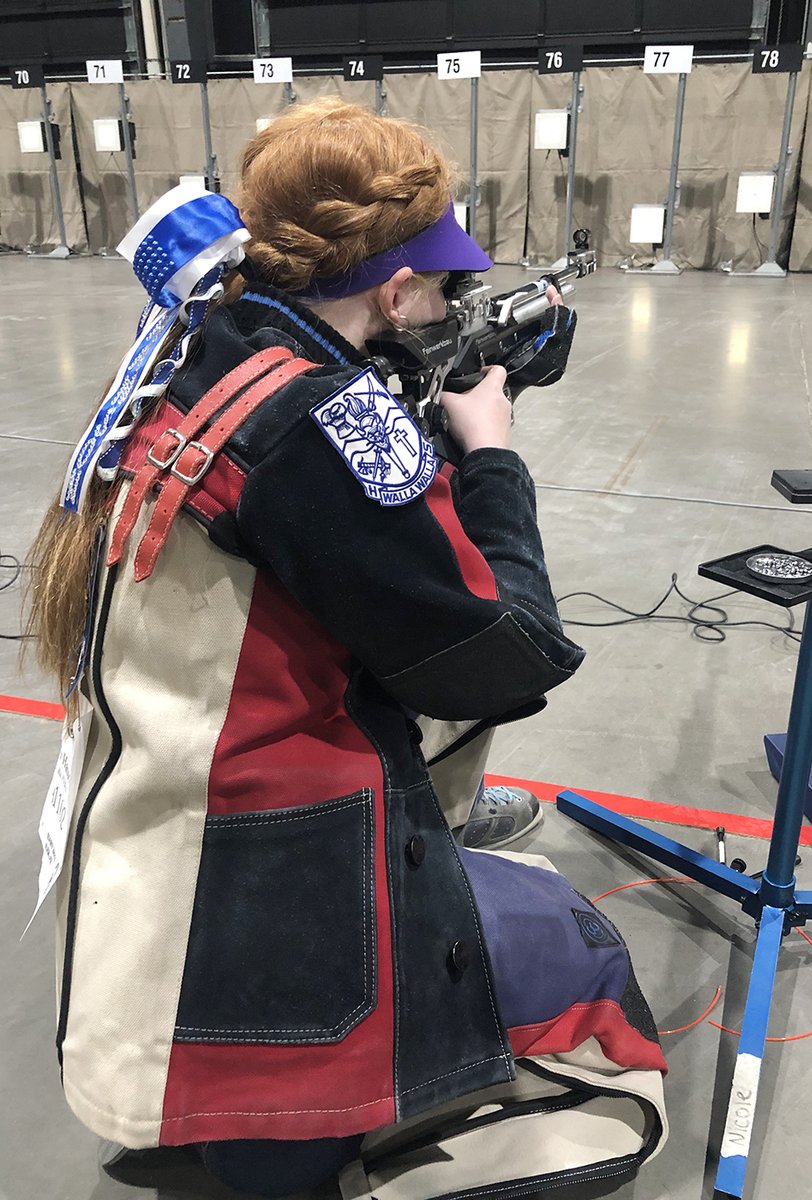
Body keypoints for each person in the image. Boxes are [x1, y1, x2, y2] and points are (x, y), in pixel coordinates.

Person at [28, 99, 667, 1199]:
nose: (442, 300)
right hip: (274, 869)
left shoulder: (203, 336)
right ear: (392, 289)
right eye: (437, 283)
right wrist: (491, 454)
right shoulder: (326, 419)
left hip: (156, 806)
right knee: (598, 992)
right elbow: (502, 650)